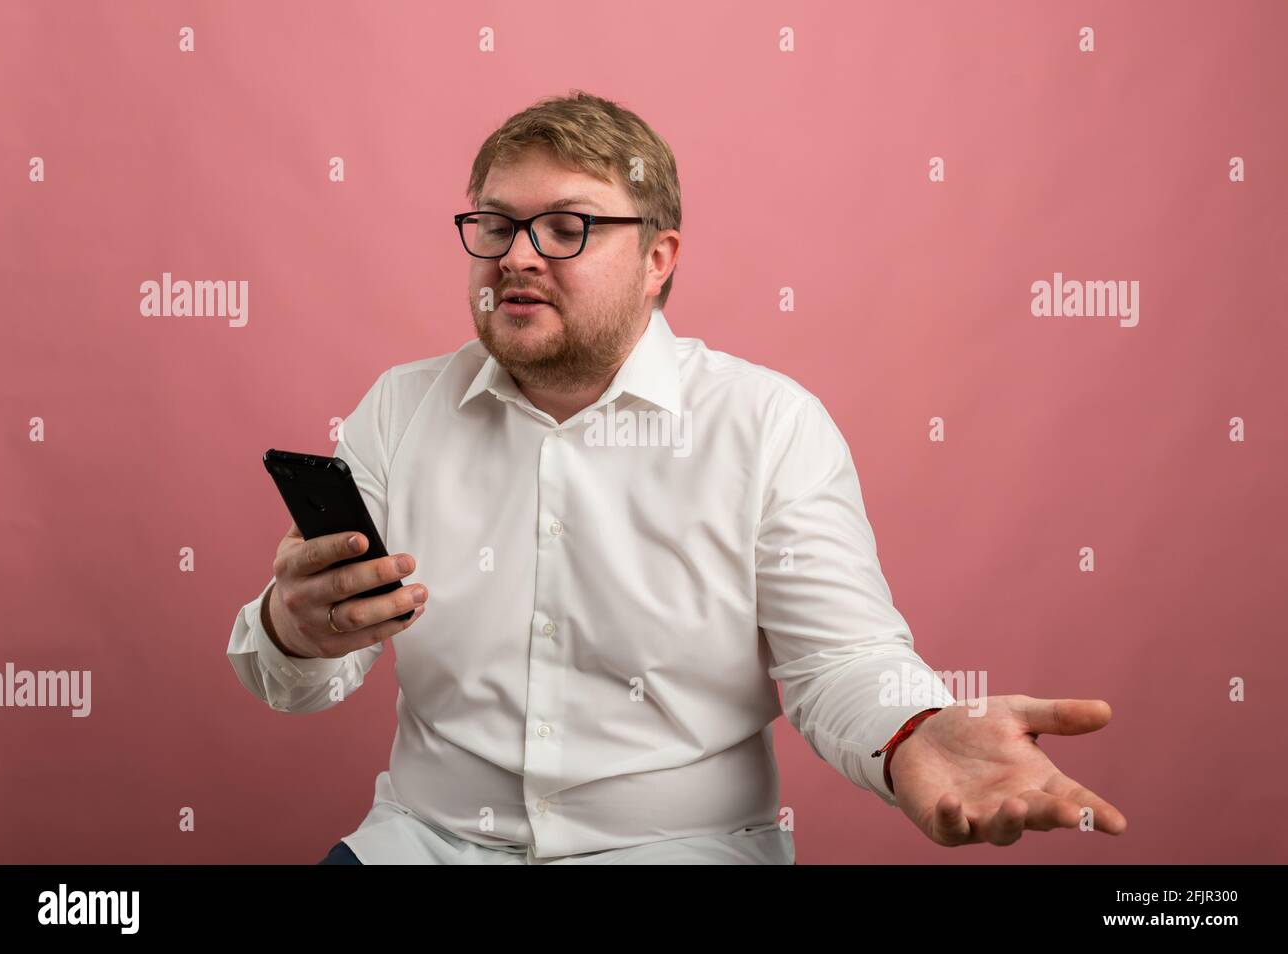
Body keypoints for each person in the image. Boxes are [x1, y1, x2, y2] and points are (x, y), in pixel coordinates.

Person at [227, 90, 1127, 865]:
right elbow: (300, 678)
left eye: (567, 228)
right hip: (425, 842)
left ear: (658, 261)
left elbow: (842, 660)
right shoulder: (399, 407)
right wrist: (294, 629)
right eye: (496, 225)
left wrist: (915, 731)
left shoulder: (767, 423)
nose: (517, 256)